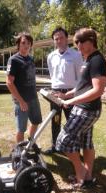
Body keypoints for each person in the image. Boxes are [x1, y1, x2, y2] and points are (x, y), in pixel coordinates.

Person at [55, 28, 106, 189]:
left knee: (63, 141)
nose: (77, 46)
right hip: (83, 108)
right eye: (76, 43)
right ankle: (88, 176)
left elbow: (97, 90)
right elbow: (82, 86)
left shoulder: (97, 60)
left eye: (79, 42)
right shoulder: (87, 59)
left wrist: (72, 101)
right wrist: (65, 95)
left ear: (90, 41)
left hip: (87, 110)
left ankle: (82, 175)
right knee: (86, 143)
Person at [44, 27, 83, 155]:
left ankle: (74, 148)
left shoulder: (76, 55)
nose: (59, 40)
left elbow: (80, 77)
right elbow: (52, 75)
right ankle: (55, 146)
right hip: (55, 93)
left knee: (72, 121)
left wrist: (71, 93)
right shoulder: (50, 56)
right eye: (56, 39)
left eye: (61, 38)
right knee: (55, 120)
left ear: (67, 39)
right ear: (54, 41)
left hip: (70, 93)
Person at [6, 32, 42, 143]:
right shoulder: (13, 60)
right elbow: (9, 83)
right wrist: (21, 101)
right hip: (21, 100)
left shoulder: (31, 59)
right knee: (21, 129)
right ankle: (20, 152)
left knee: (36, 121)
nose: (26, 45)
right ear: (18, 44)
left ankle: (30, 144)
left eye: (29, 43)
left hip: (33, 97)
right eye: (23, 43)